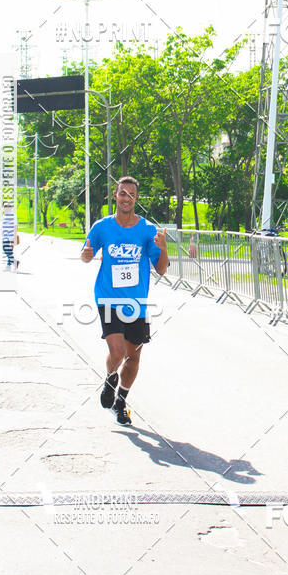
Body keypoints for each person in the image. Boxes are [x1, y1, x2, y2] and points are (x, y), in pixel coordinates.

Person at [81, 176, 168, 425]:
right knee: (117, 352)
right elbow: (86, 253)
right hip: (107, 298)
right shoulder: (102, 227)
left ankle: (121, 401)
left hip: (136, 303)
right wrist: (85, 255)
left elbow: (161, 269)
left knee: (133, 358)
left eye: (131, 194)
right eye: (122, 193)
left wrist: (163, 248)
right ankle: (110, 377)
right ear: (115, 195)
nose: (126, 198)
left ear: (136, 199)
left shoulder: (148, 231)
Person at [1, 203, 19, 270]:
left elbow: (15, 226)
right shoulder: (4, 216)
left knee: (7, 249)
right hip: (4, 236)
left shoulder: (13, 216)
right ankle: (9, 265)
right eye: (4, 206)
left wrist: (14, 236)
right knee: (8, 250)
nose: (5, 208)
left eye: (6, 207)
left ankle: (12, 263)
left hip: (11, 236)